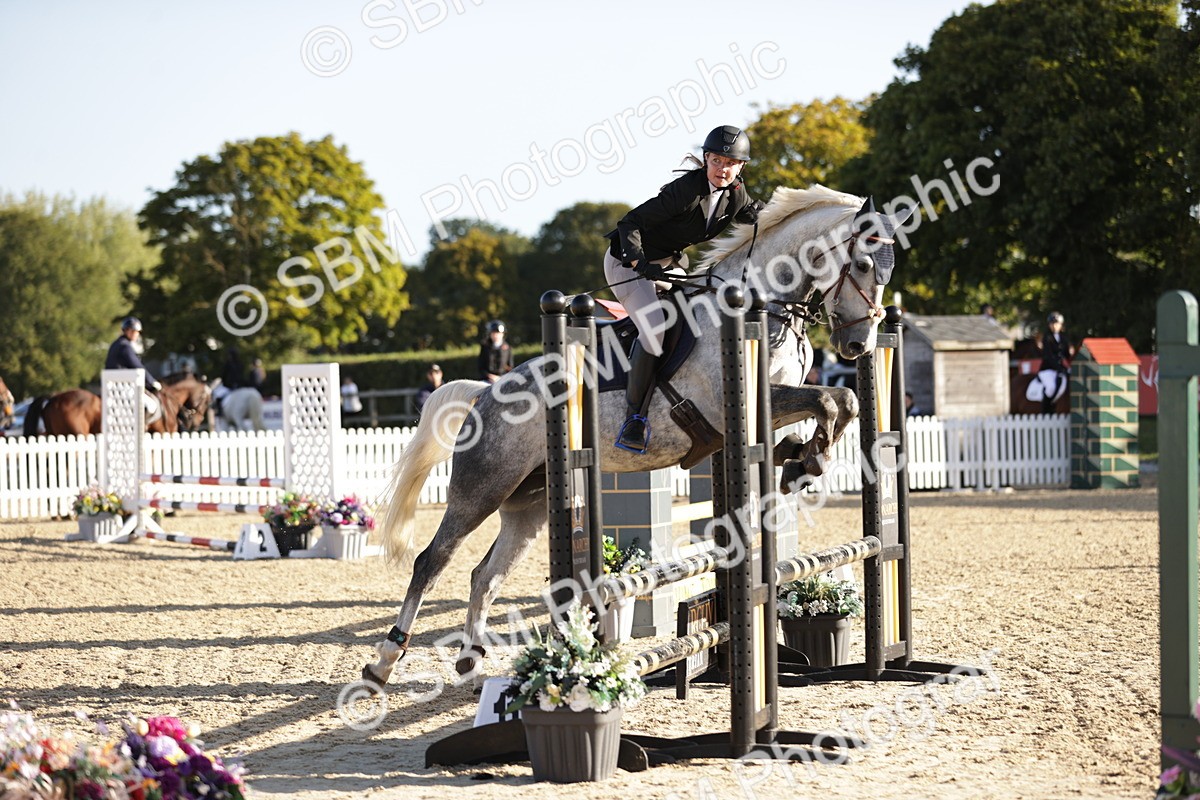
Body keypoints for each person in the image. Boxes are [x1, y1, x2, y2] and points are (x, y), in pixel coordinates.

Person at [603, 124, 765, 453]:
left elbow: (758, 214)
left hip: (667, 264)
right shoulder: (686, 191)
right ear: (706, 160)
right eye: (717, 161)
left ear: (741, 168)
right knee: (655, 328)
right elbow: (629, 223)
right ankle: (634, 418)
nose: (723, 169)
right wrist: (639, 263)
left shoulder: (736, 194)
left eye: (730, 163)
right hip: (627, 262)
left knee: (701, 312)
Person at [104, 316, 162, 420]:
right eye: (134, 331)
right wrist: (152, 382)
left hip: (111, 383)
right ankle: (141, 427)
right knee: (151, 406)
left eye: (137, 332)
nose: (137, 334)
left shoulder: (116, 344)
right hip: (122, 385)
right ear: (126, 331)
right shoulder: (125, 346)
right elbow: (137, 367)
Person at [1035, 311, 1073, 414]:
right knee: (1050, 388)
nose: (1055, 326)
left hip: (1060, 368)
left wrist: (1070, 364)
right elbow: (1049, 356)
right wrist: (1060, 368)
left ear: (1061, 325)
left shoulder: (1063, 338)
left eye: (1057, 324)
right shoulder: (1047, 338)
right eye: (1052, 324)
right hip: (1048, 369)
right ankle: (1047, 411)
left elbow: (1066, 355)